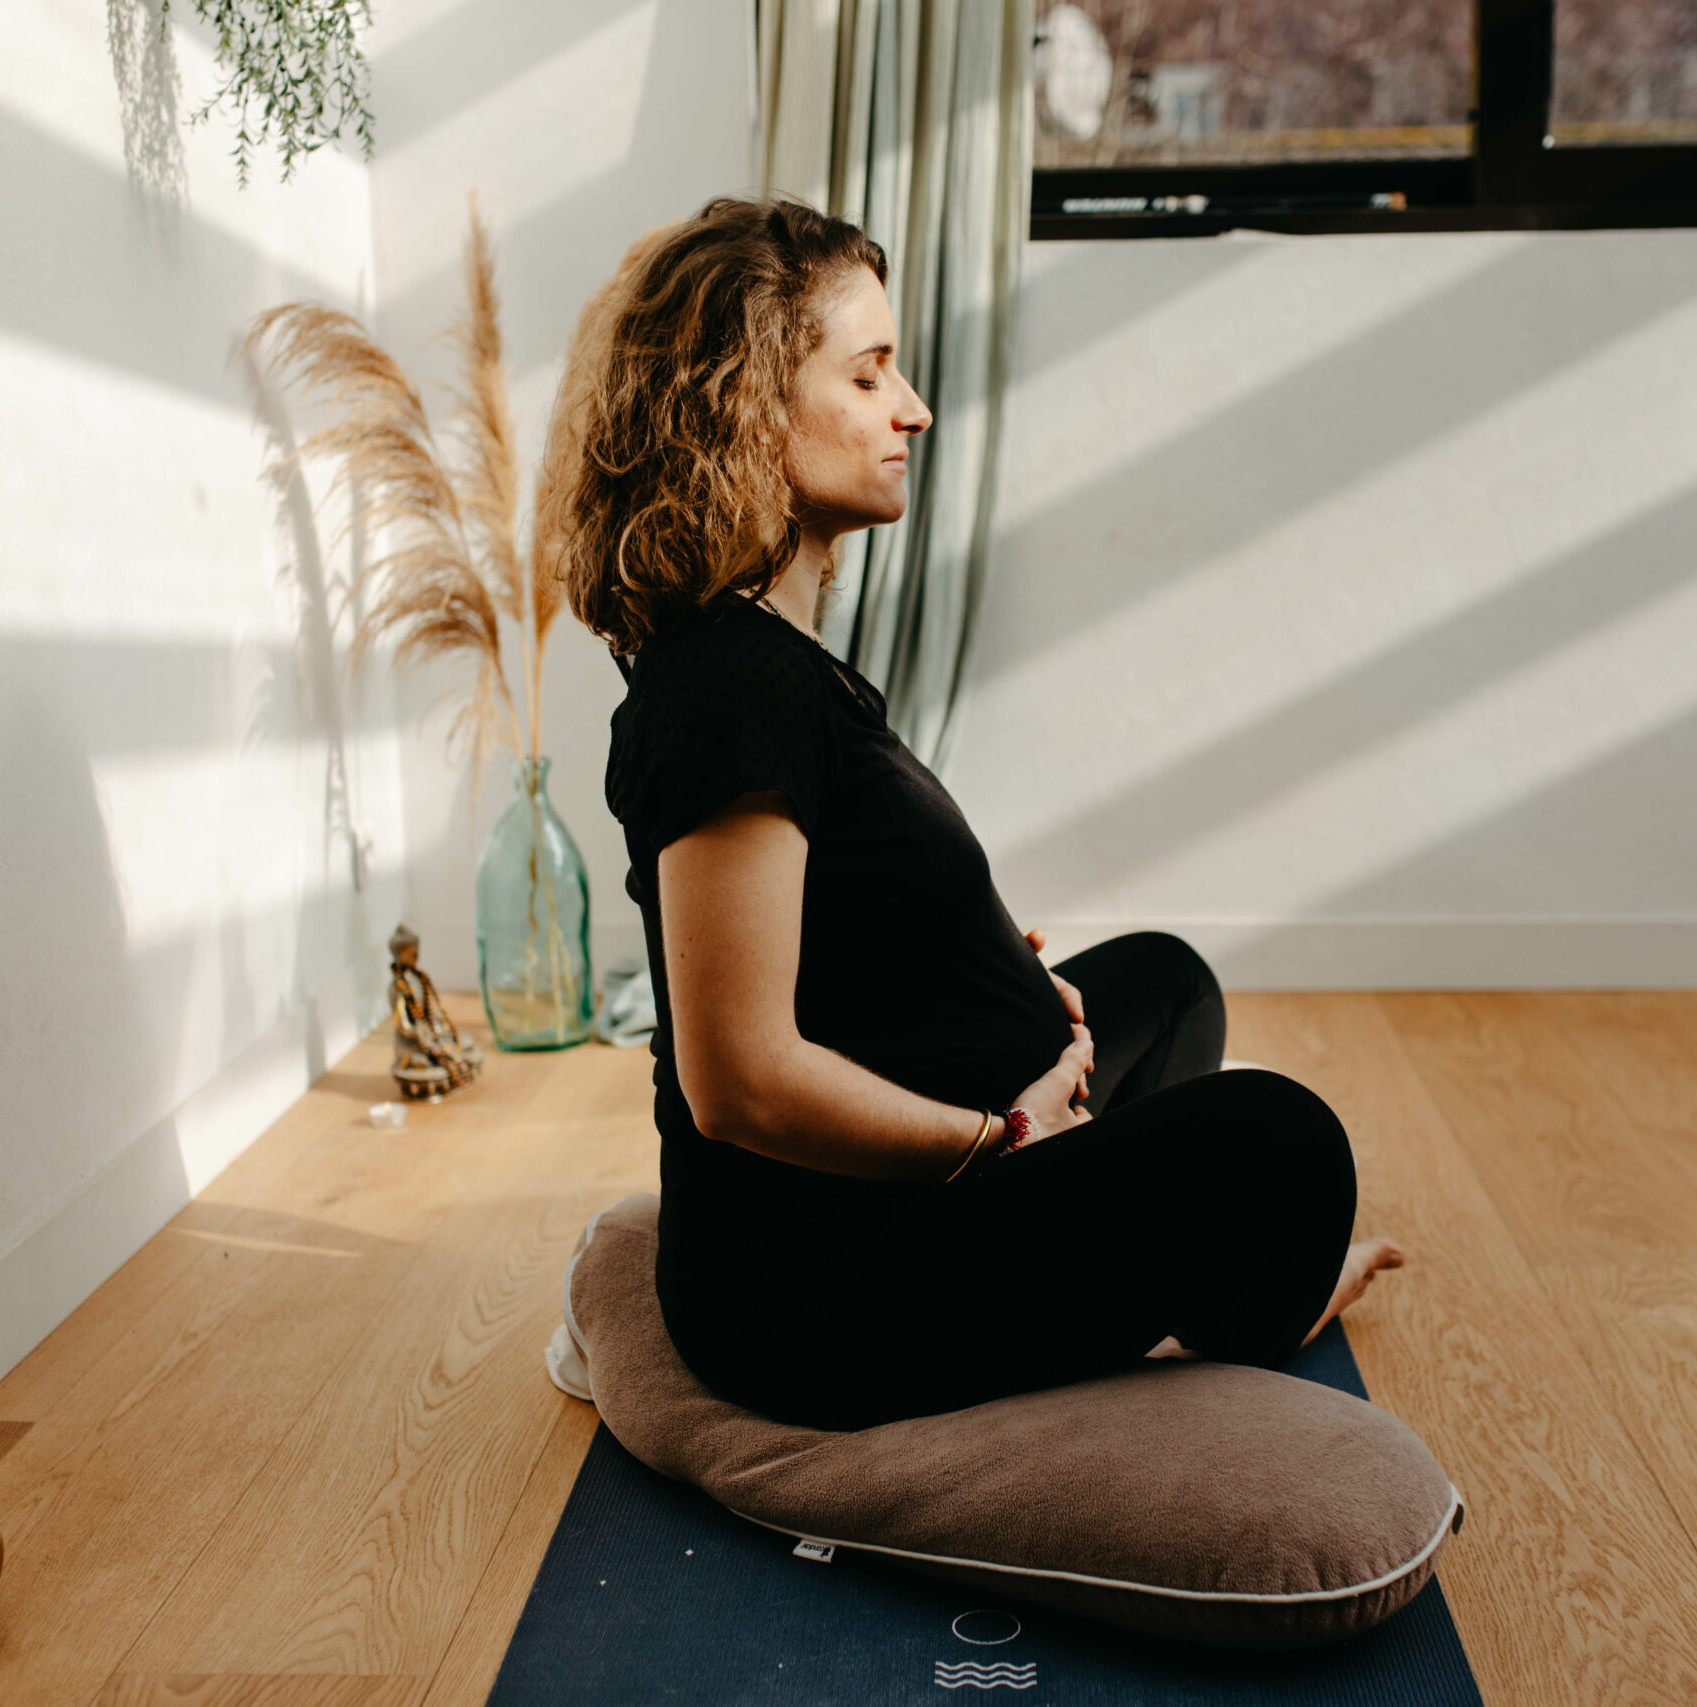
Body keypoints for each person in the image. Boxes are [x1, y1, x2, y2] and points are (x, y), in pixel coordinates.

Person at [542, 196, 1403, 1431]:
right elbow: (738, 1079)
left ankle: (1128, 1247)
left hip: (912, 1197)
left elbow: (842, 925)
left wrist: (988, 970)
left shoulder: (775, 660)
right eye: (868, 373)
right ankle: (1218, 1317)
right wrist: (995, 1139)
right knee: (1282, 1141)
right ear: (746, 404)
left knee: (1161, 983)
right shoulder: (728, 688)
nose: (914, 409)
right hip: (816, 1300)